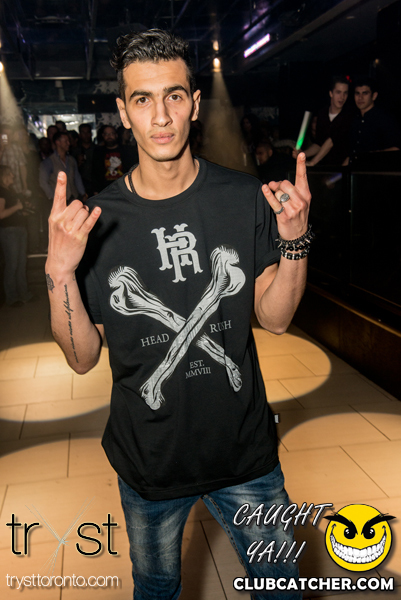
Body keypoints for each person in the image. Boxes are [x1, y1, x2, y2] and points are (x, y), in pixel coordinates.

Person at [45, 29, 312, 600]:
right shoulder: (96, 220)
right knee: (157, 590)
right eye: (142, 99)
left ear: (194, 102)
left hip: (245, 453)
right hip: (150, 460)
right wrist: (60, 272)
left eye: (173, 96)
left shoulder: (243, 197)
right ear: (124, 111)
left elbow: (275, 318)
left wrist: (295, 243)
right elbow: (82, 357)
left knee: (282, 588)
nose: (161, 116)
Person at [294, 76, 353, 167]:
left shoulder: (349, 115)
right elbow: (319, 144)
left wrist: (313, 162)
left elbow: (331, 142)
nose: (342, 97)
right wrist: (302, 154)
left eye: (345, 93)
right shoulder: (322, 113)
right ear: (331, 93)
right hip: (324, 167)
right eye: (338, 92)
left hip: (341, 168)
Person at [0, 165, 33, 306]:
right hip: (9, 232)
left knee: (21, 264)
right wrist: (17, 207)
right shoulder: (1, 191)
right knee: (12, 265)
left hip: (19, 229)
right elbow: (1, 214)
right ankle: (12, 298)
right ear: (3, 176)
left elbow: (14, 211)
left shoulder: (10, 191)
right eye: (10, 174)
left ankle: (24, 294)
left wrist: (25, 210)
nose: (13, 176)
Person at [347, 77, 400, 163]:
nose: (360, 97)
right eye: (357, 93)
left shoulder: (384, 119)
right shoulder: (354, 119)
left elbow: (396, 147)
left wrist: (372, 156)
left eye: (365, 93)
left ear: (374, 96)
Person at [39, 130, 86, 204]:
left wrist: (83, 193)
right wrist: (53, 197)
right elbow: (43, 182)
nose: (68, 143)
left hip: (74, 197)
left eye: (68, 141)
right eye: (66, 141)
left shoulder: (71, 160)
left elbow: (77, 177)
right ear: (58, 142)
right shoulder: (49, 162)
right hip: (59, 201)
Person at [92, 125, 132, 193]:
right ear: (103, 135)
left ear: (116, 135)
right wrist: (95, 190)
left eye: (111, 134)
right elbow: (95, 172)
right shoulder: (98, 152)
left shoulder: (126, 150)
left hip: (125, 190)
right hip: (105, 191)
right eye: (106, 134)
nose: (109, 136)